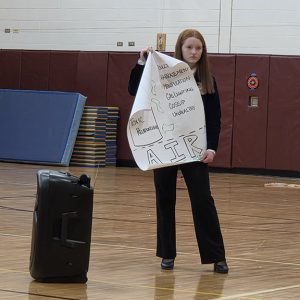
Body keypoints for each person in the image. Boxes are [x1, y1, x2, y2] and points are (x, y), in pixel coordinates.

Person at [128, 29, 228, 273]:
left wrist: (212, 148)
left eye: (198, 48)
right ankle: (167, 254)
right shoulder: (163, 73)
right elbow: (134, 89)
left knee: (203, 201)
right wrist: (142, 62)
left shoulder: (208, 80)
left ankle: (217, 256)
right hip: (164, 149)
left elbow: (215, 118)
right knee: (164, 199)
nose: (194, 52)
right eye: (189, 48)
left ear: (203, 52)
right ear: (180, 49)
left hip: (195, 150)